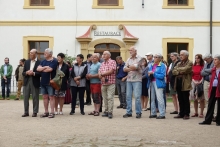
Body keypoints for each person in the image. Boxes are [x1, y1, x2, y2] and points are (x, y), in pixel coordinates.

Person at [199, 54, 220, 126]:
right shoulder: (213, 69)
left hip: (219, 88)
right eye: (214, 59)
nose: (214, 61)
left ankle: (218, 121)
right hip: (213, 87)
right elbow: (202, 73)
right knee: (210, 103)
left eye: (216, 59)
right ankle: (208, 120)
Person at [37, 48, 58, 118]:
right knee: (44, 97)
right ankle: (46, 111)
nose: (44, 54)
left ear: (50, 54)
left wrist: (42, 69)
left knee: (51, 97)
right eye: (44, 52)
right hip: (43, 82)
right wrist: (45, 67)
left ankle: (52, 112)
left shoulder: (54, 61)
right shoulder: (43, 61)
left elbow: (50, 70)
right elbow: (38, 69)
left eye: (46, 53)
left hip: (50, 82)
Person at [123, 46, 143, 119]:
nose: (130, 51)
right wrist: (131, 67)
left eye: (131, 50)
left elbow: (137, 67)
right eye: (129, 50)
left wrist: (130, 67)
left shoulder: (140, 58)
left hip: (137, 79)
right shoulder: (128, 59)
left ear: (135, 51)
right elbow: (124, 69)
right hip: (129, 79)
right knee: (128, 96)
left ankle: (138, 112)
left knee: (137, 97)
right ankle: (129, 112)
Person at [173, 50, 193, 120]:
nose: (180, 56)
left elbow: (186, 69)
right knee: (180, 98)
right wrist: (180, 71)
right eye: (180, 55)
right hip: (178, 82)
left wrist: (179, 70)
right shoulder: (179, 63)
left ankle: (186, 114)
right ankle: (181, 113)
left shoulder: (190, 62)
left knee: (185, 99)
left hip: (185, 83)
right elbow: (174, 71)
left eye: (182, 55)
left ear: (186, 56)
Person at [22, 49, 41, 117]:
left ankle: (35, 112)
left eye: (32, 53)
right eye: (30, 53)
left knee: (35, 97)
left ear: (36, 54)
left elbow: (40, 73)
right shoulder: (26, 62)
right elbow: (23, 72)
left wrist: (34, 73)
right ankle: (26, 112)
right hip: (27, 81)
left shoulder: (39, 62)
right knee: (25, 97)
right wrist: (26, 73)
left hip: (35, 80)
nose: (30, 54)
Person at [148, 53, 166, 119]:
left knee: (159, 98)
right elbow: (148, 73)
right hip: (151, 82)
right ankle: (153, 113)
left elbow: (162, 75)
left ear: (160, 58)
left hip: (158, 83)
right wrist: (149, 74)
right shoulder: (151, 65)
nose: (154, 58)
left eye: (156, 57)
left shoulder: (162, 65)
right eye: (154, 57)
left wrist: (154, 73)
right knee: (152, 98)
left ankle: (162, 114)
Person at [99, 51, 116, 119]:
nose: (103, 55)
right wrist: (101, 75)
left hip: (111, 83)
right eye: (103, 54)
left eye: (105, 54)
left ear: (109, 55)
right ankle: (106, 111)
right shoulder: (102, 63)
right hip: (103, 83)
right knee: (105, 98)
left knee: (110, 97)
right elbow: (99, 71)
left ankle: (110, 112)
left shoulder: (112, 62)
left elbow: (111, 71)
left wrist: (102, 74)